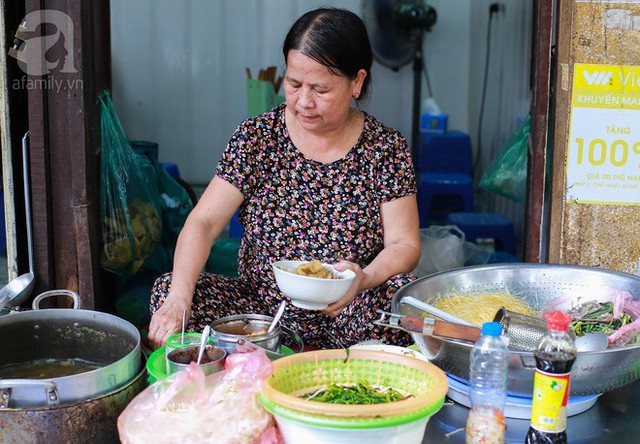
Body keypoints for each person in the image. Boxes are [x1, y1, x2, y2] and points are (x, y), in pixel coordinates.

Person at [147, 7, 421, 350]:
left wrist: (365, 278)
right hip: (262, 315)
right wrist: (178, 298)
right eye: (294, 84)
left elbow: (404, 244)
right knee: (170, 291)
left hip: (349, 309)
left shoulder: (385, 148)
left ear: (357, 82)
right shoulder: (258, 137)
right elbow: (203, 222)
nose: (303, 102)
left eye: (320, 89)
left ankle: (338, 370)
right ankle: (260, 361)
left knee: (399, 298)